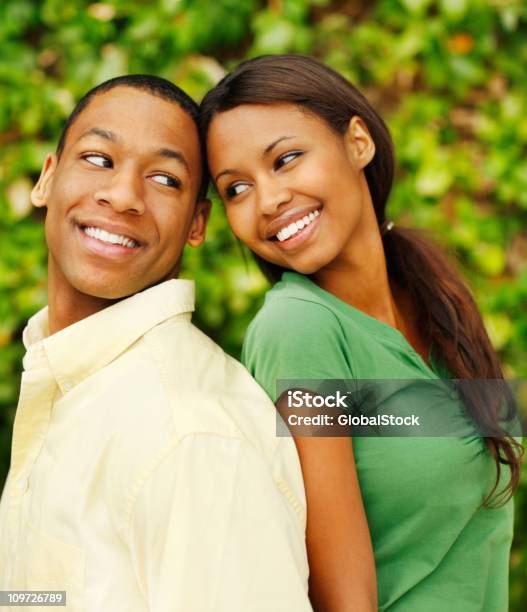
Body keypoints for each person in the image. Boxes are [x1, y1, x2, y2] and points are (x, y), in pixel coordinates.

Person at [200, 54, 523, 611]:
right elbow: (343, 602)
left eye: (287, 158)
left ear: (358, 142)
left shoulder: (433, 290)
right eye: (235, 189)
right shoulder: (299, 329)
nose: (269, 200)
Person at [0, 74, 313, 612]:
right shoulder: (69, 375)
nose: (123, 196)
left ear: (197, 223)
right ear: (47, 180)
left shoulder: (193, 435)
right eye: (99, 159)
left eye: (165, 179)